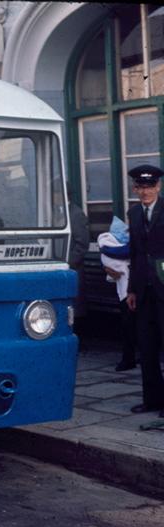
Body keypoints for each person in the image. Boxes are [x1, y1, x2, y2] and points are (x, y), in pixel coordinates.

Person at [125, 164, 164, 417]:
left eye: (150, 186)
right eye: (140, 187)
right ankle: (152, 400)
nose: (145, 192)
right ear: (135, 189)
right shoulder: (134, 213)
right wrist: (131, 289)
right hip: (143, 290)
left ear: (158, 187)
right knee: (147, 347)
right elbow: (135, 253)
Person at [99, 216, 137, 371]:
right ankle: (129, 358)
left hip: (139, 285)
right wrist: (107, 269)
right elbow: (115, 255)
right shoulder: (112, 242)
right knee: (128, 324)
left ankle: (130, 358)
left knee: (135, 324)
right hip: (128, 288)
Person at [67, 196, 90, 340]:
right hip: (62, 267)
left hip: (73, 268)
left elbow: (82, 243)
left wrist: (69, 262)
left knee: (75, 307)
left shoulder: (76, 214)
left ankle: (80, 338)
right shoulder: (57, 212)